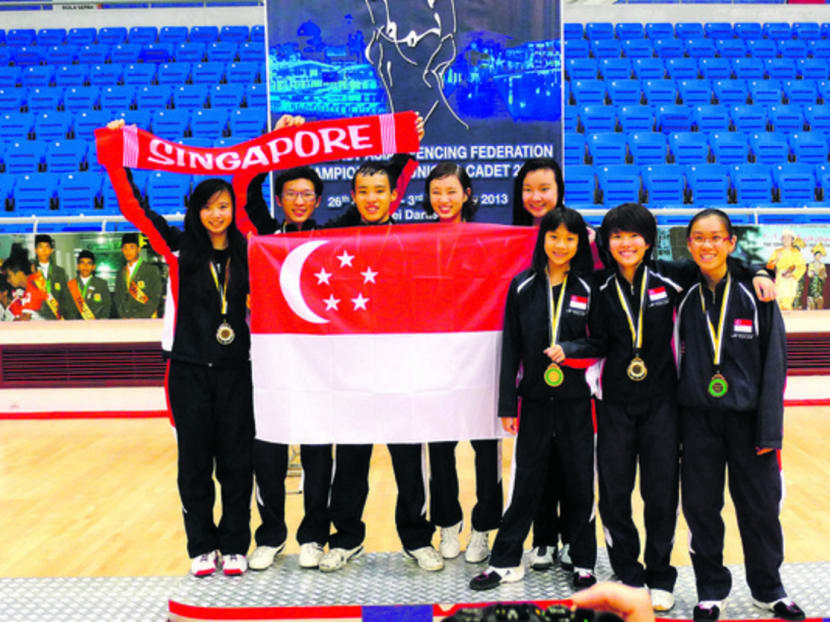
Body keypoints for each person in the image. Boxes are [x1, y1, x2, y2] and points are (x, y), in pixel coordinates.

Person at [591, 203, 775, 612]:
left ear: (650, 241)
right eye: (617, 235)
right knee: (615, 496)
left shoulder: (673, 277)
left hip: (663, 407)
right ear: (606, 241)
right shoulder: (597, 284)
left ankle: (659, 574)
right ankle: (628, 573)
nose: (626, 243)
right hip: (613, 406)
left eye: (635, 235)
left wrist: (761, 271)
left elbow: (723, 263)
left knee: (661, 495)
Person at [104, 118, 255, 577]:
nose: (216, 214)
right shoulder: (176, 248)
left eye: (224, 205)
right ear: (196, 210)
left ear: (233, 208)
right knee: (194, 464)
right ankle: (200, 547)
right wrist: (117, 156)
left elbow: (256, 191)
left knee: (235, 462)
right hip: (187, 370)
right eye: (208, 206)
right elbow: (135, 209)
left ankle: (234, 545)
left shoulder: (251, 249)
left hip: (237, 370)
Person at [676, 209, 805, 622]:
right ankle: (710, 590)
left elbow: (775, 364)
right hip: (697, 422)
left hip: (749, 422)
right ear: (689, 244)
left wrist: (771, 428)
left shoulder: (757, 294)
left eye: (717, 238)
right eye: (699, 238)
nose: (707, 245)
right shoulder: (680, 289)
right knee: (701, 509)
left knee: (761, 508)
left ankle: (769, 589)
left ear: (731, 243)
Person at [470, 207, 599, 591]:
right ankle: (507, 560)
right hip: (535, 401)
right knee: (525, 481)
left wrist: (572, 347)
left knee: (579, 480)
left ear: (580, 244)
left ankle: (583, 560)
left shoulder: (590, 287)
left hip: (578, 401)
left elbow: (602, 341)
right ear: (542, 239)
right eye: (554, 236)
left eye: (570, 238)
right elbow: (510, 348)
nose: (561, 245)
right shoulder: (522, 285)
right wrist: (507, 404)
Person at [240, 161, 333, 572]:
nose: (299, 201)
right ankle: (271, 536)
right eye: (291, 194)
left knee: (317, 457)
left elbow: (381, 204)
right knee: (268, 457)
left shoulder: (334, 238)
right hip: (270, 365)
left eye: (307, 195)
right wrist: (271, 147)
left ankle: (314, 536)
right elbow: (246, 189)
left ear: (317, 201)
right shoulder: (264, 235)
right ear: (279, 201)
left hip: (317, 367)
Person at [422, 163, 500, 564]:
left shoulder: (489, 240)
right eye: (436, 192)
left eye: (452, 191)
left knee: (487, 450)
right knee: (440, 450)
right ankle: (447, 525)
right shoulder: (417, 239)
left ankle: (485, 528)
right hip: (436, 360)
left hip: (481, 358)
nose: (444, 200)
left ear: (467, 194)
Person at [512, 158, 570, 573]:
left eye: (544, 188)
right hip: (530, 378)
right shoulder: (508, 240)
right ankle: (543, 539)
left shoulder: (582, 239)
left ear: (559, 191)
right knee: (536, 465)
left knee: (573, 465)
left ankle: (572, 539)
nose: (536, 197)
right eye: (528, 188)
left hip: (576, 376)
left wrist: (750, 272)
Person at [114, 233, 162, 318]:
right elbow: (118, 298)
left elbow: (155, 298)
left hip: (145, 319)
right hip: (125, 320)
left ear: (139, 249)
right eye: (125, 248)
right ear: (122, 250)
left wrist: (138, 317)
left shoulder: (151, 270)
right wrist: (123, 316)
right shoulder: (120, 273)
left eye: (132, 247)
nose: (128, 251)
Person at [3, 244, 48, 320]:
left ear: (19, 273)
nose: (8, 280)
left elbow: (24, 321)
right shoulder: (25, 292)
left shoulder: (35, 286)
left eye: (9, 276)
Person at [65, 250, 112, 320]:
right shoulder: (70, 285)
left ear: (93, 267)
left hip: (96, 325)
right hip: (75, 326)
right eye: (82, 263)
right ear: (78, 266)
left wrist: (101, 323)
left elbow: (107, 307)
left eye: (89, 263)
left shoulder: (101, 284)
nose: (85, 266)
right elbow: (66, 308)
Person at [766, 229, 806, 311]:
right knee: (777, 305)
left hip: (789, 281)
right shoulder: (777, 252)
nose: (786, 239)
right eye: (784, 237)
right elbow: (769, 267)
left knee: (786, 305)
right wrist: (776, 260)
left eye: (788, 237)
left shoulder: (796, 253)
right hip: (778, 281)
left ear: (792, 240)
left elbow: (802, 267)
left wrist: (791, 274)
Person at [32, 234, 69, 320]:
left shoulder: (60, 271)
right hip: (36, 317)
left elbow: (65, 296)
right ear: (35, 250)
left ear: (51, 250)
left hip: (55, 317)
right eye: (40, 247)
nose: (44, 250)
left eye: (47, 247)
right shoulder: (30, 270)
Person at [806, 242, 826, 311]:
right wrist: (814, 273)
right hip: (812, 288)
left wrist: (822, 275)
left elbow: (824, 275)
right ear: (814, 256)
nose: (818, 257)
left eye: (820, 255)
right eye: (817, 255)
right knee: (811, 306)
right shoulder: (811, 264)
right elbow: (809, 274)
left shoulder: (822, 265)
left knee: (820, 306)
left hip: (819, 288)